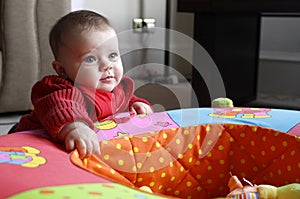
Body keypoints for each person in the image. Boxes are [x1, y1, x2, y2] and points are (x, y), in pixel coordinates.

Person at [16, 10, 153, 159]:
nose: (107, 65)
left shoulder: (119, 88)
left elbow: (125, 99)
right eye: (90, 59)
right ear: (62, 70)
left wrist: (137, 104)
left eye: (112, 55)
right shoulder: (61, 89)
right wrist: (76, 126)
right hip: (30, 141)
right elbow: (63, 106)